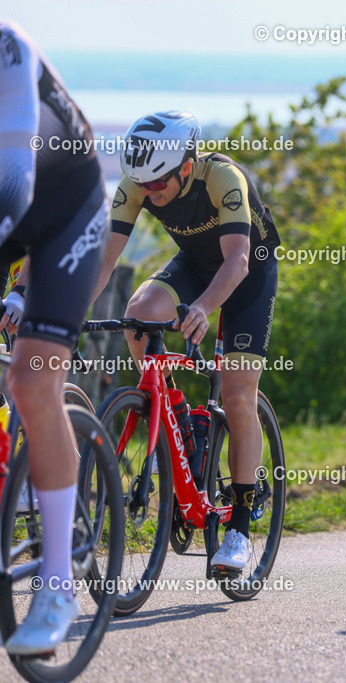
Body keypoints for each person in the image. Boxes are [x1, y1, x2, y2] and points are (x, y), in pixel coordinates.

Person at [92, 110, 281, 571]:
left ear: (186, 165)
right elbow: (104, 257)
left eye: (160, 184)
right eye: (145, 185)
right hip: (196, 263)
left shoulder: (223, 177)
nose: (151, 192)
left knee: (238, 396)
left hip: (247, 272)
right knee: (138, 315)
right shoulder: (140, 179)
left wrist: (203, 308)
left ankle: (238, 524)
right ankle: (177, 423)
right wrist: (67, 315)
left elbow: (236, 261)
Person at [0, 21, 110, 654]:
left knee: (32, 379)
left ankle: (58, 583)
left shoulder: (9, 48)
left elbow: (13, 188)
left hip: (64, 216)